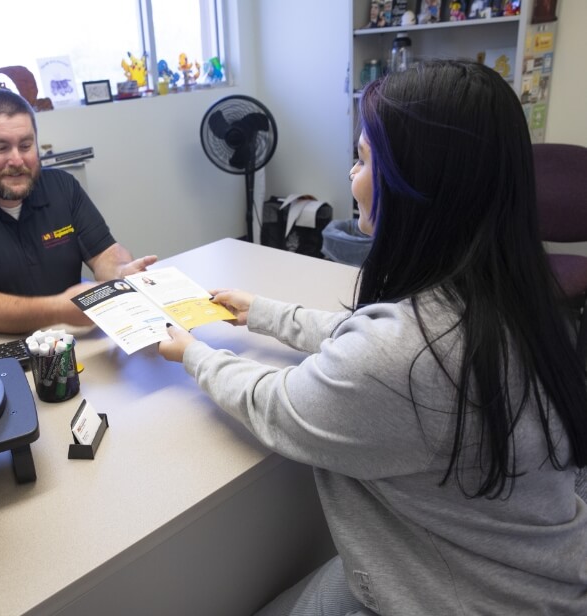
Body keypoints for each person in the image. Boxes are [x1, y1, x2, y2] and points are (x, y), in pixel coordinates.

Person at [158, 60, 587, 615]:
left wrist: (193, 353)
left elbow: (280, 405)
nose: (351, 174)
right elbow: (374, 346)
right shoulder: (521, 300)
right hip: (543, 572)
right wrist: (264, 313)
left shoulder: (401, 352)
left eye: (362, 158)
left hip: (472, 595)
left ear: (418, 184)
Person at [0, 88, 156, 333]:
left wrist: (120, 271)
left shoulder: (62, 187)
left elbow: (104, 252)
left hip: (69, 340)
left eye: (25, 145)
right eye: (0, 148)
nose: (17, 161)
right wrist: (60, 308)